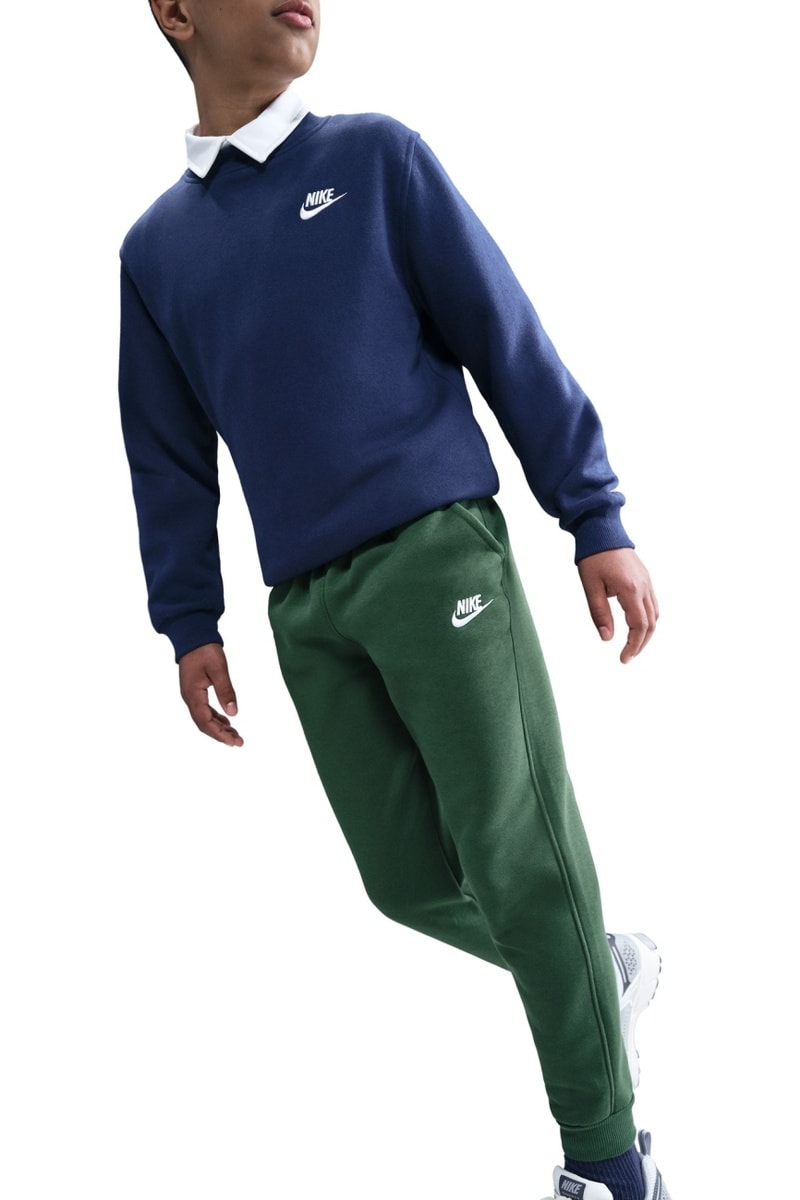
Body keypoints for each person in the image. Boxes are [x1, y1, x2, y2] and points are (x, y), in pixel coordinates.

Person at [118, 3, 672, 1196]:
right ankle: (597, 968)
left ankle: (607, 1166)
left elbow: (501, 331)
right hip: (306, 607)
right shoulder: (154, 251)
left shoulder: (375, 158)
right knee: (406, 881)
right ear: (175, 11)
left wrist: (593, 513)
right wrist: (189, 622)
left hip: (437, 556)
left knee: (518, 858)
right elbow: (166, 460)